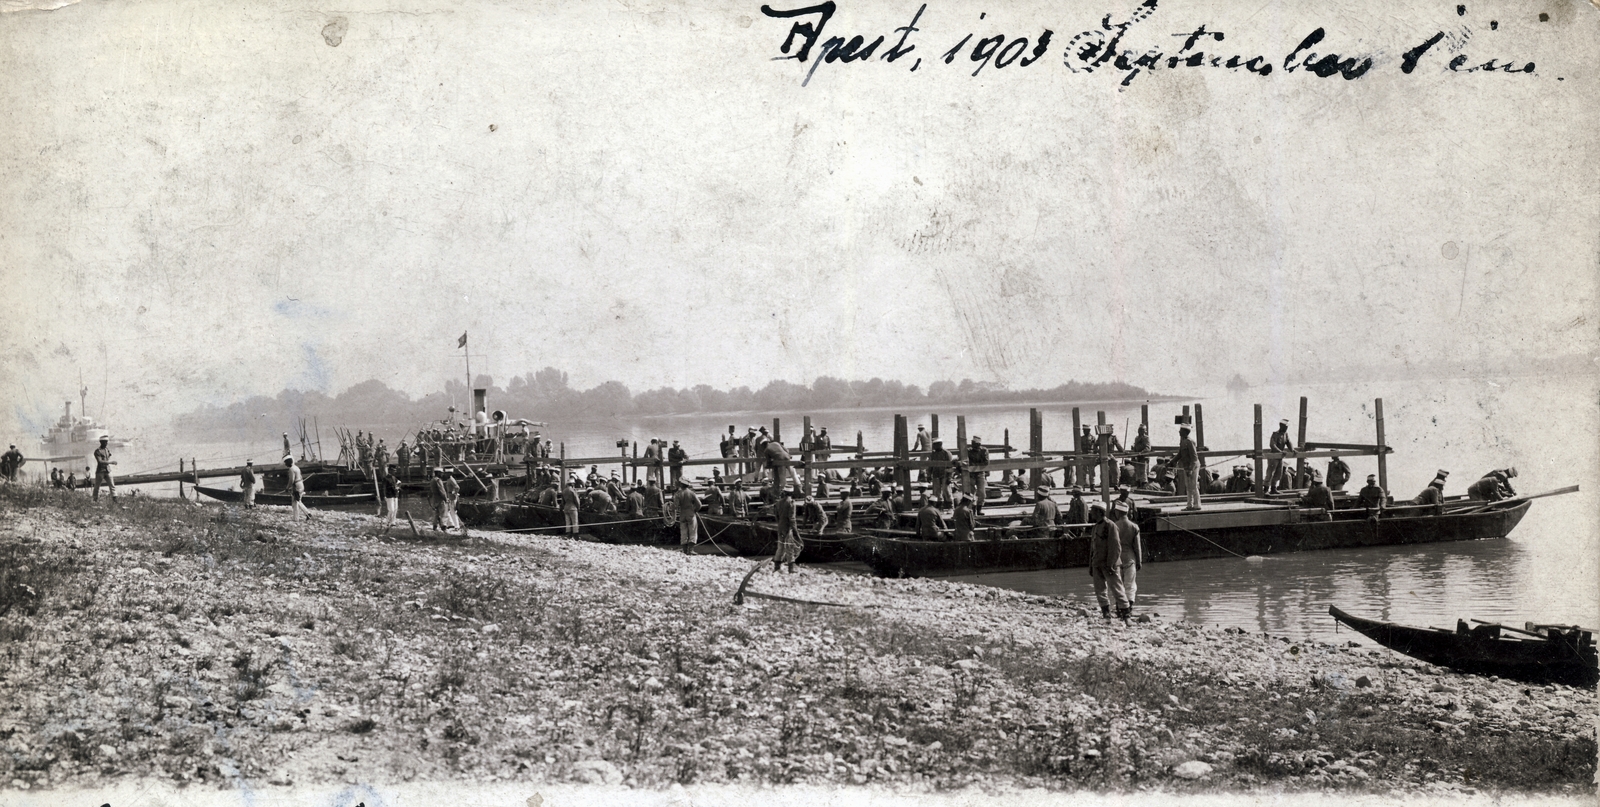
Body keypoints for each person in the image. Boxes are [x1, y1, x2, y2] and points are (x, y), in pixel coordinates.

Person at [1087, 504, 1127, 620]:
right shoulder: (1095, 527)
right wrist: (1091, 565)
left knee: (1117, 589)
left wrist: (1111, 564)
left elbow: (1116, 547)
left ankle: (1126, 614)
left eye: (1093, 511)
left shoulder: (1110, 526)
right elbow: (1092, 548)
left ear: (1099, 512)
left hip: (1109, 565)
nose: (1091, 513)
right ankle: (1106, 613)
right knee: (1100, 590)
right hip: (1097, 564)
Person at [1111, 500, 1142, 615]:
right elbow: (1137, 547)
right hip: (1130, 559)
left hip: (1117, 560)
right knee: (1130, 584)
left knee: (1118, 584)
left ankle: (1120, 607)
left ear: (1118, 512)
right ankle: (1129, 607)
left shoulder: (1113, 526)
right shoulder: (1134, 526)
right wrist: (1139, 561)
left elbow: (1111, 545)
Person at [773, 488, 801, 573]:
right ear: (791, 493)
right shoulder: (791, 503)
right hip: (788, 528)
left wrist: (780, 523)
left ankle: (777, 567)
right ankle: (791, 568)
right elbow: (792, 519)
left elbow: (776, 516)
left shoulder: (778, 503)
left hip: (780, 527)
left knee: (780, 547)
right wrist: (795, 530)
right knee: (790, 547)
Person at [1175, 424, 1200, 511]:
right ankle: (1189, 505)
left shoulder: (1190, 442)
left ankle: (1197, 505)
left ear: (1185, 432)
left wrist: (1191, 469)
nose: (1179, 432)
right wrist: (1171, 462)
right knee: (1188, 487)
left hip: (1193, 466)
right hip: (1187, 467)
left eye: (1180, 430)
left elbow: (1194, 458)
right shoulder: (1183, 441)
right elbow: (1179, 455)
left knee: (1193, 486)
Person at [673, 480, 701, 555]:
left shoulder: (678, 494)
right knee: (693, 531)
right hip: (691, 513)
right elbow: (699, 504)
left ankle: (684, 550)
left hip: (682, 514)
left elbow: (675, 506)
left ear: (681, 485)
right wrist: (695, 510)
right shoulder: (691, 493)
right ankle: (691, 550)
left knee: (683, 532)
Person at [1267, 419, 1295, 494]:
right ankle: (1266, 489)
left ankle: (1273, 488)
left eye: (1287, 427)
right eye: (1285, 427)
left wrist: (1292, 450)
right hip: (1273, 456)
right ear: (1281, 426)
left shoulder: (1286, 434)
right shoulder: (1275, 434)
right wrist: (1280, 451)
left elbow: (1289, 442)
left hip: (1280, 457)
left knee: (1278, 473)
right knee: (1270, 473)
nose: (1286, 428)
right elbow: (1272, 445)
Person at [90, 437, 118, 502]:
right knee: (97, 487)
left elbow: (109, 455)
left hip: (108, 470)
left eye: (106, 442)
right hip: (100, 471)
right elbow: (100, 461)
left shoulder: (107, 449)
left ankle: (115, 500)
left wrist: (108, 461)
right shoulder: (97, 451)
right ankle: (94, 500)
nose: (106, 443)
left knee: (112, 485)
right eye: (105, 442)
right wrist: (111, 462)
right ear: (101, 442)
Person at [966, 435, 990, 511]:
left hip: (980, 473)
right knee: (971, 492)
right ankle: (973, 508)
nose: (975, 445)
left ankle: (979, 507)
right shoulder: (968, 451)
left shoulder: (984, 450)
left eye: (977, 443)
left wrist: (975, 464)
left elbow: (986, 462)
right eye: (973, 443)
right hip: (971, 474)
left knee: (982, 493)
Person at [927, 440, 953, 506]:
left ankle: (950, 506)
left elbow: (950, 465)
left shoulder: (946, 453)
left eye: (935, 444)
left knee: (946, 491)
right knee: (936, 492)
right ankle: (939, 506)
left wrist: (949, 477)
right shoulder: (933, 454)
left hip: (945, 475)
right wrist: (929, 475)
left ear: (940, 444)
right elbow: (930, 465)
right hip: (936, 475)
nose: (934, 446)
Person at [380, 466, 402, 530]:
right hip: (389, 495)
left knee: (395, 509)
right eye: (393, 470)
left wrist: (398, 487)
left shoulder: (394, 478)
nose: (395, 471)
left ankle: (393, 521)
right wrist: (384, 496)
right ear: (390, 471)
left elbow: (399, 482)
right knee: (391, 509)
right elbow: (383, 488)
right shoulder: (386, 478)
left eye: (395, 470)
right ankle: (388, 521)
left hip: (395, 495)